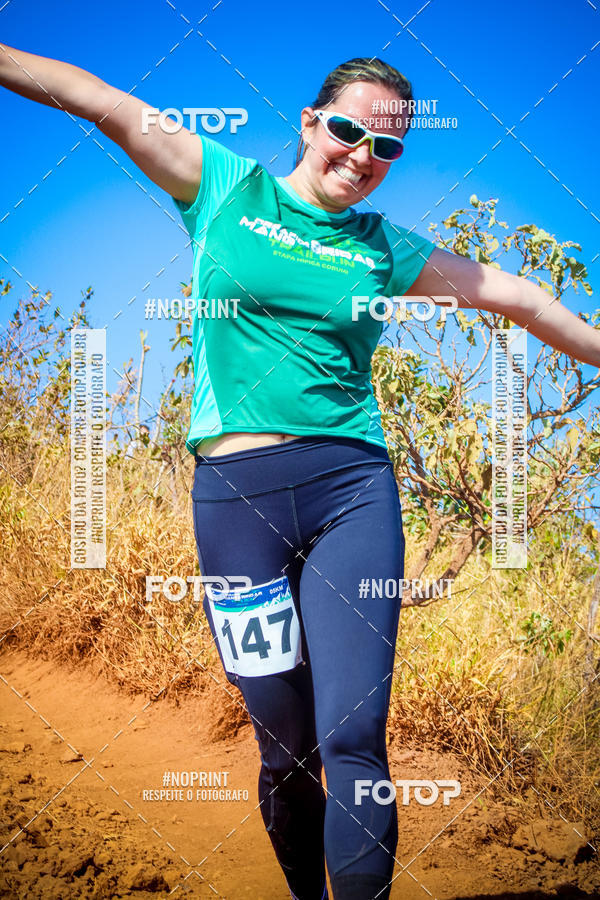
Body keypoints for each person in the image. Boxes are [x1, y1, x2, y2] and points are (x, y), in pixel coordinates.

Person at [1, 45, 598, 900]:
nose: (363, 155)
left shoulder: (385, 249)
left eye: (387, 147)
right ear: (312, 123)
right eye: (350, 131)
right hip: (235, 502)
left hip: (351, 490)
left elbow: (523, 299)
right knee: (282, 746)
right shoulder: (225, 190)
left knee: (354, 733)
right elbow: (100, 98)